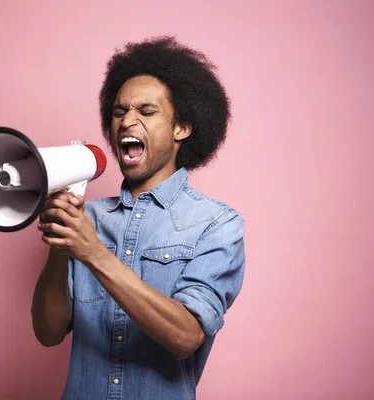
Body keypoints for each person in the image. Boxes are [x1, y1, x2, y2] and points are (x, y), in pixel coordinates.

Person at [31, 35, 246, 400]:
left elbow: (185, 337)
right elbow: (48, 333)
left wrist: (93, 252)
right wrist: (61, 244)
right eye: (119, 112)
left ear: (182, 128)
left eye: (146, 112)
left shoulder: (217, 224)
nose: (127, 121)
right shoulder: (88, 219)